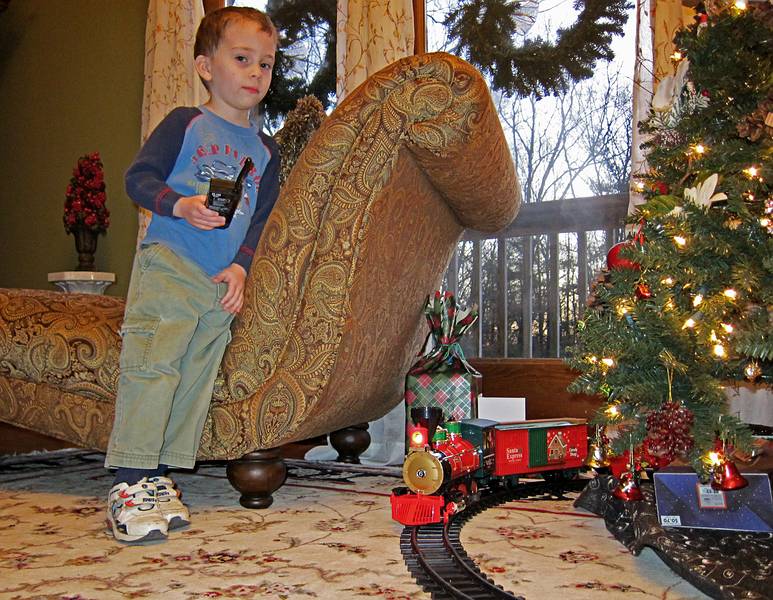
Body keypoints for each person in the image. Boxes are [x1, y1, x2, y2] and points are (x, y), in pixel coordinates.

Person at [104, 6, 280, 544]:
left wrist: (240, 268)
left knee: (192, 377)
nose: (255, 73)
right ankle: (129, 480)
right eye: (242, 59)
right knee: (154, 364)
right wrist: (178, 205)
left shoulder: (267, 153)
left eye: (267, 65)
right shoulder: (186, 123)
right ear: (206, 66)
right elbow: (138, 179)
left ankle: (156, 476)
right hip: (170, 264)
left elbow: (261, 223)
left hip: (214, 285)